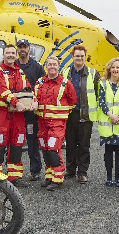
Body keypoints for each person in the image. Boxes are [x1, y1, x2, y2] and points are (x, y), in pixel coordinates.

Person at [0, 45, 35, 187]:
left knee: (17, 143)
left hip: (18, 115)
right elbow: (2, 89)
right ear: (3, 55)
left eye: (12, 53)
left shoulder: (20, 72)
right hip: (2, 114)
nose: (10, 55)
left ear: (16, 55)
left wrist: (34, 101)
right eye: (7, 53)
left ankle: (14, 177)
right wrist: (16, 102)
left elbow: (28, 89)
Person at [34, 56, 77, 191]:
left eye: (54, 64)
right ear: (46, 66)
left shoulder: (65, 83)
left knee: (53, 148)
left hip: (57, 123)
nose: (52, 66)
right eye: (49, 64)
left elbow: (73, 101)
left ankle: (58, 178)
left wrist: (61, 115)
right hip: (42, 122)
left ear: (59, 67)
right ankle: (49, 176)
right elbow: (35, 98)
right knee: (45, 148)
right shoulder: (40, 82)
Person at [61, 44, 100, 184]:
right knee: (70, 143)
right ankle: (70, 169)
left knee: (84, 145)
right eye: (77, 56)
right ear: (72, 57)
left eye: (82, 56)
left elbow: (98, 94)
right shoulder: (65, 73)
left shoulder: (93, 73)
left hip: (86, 115)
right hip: (70, 114)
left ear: (85, 57)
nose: (79, 58)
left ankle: (82, 172)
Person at [97, 57, 119, 187]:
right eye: (113, 67)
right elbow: (101, 102)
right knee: (108, 152)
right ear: (109, 69)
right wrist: (111, 115)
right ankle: (109, 177)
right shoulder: (103, 83)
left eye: (118, 67)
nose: (115, 70)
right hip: (108, 123)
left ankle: (117, 177)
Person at [16, 39, 45, 181]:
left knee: (32, 140)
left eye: (25, 47)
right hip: (15, 110)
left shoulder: (37, 67)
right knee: (14, 141)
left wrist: (36, 102)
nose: (22, 49)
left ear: (29, 49)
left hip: (31, 112)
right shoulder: (13, 66)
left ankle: (35, 170)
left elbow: (43, 87)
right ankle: (13, 171)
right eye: (20, 47)